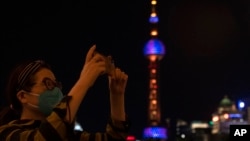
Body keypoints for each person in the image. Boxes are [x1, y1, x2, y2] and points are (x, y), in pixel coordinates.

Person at [0, 45, 130, 141]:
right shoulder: (6, 133)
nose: (56, 90)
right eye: (48, 84)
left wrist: (116, 95)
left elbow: (115, 139)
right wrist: (84, 81)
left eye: (57, 85)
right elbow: (45, 137)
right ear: (23, 96)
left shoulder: (68, 135)